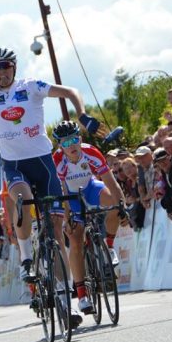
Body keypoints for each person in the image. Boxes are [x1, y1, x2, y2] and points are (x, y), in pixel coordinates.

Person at [0, 26, 105, 292]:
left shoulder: (31, 87)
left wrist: (82, 114)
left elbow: (71, 91)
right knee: (21, 197)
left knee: (56, 228)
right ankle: (27, 259)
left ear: (14, 67)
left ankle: (65, 297)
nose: (2, 72)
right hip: (15, 166)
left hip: (43, 163)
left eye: (6, 66)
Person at [51, 121, 125, 314]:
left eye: (74, 140)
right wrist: (68, 218)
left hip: (91, 186)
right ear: (60, 146)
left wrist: (122, 205)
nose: (72, 146)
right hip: (71, 196)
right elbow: (63, 192)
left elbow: (110, 181)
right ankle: (82, 296)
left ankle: (108, 246)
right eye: (66, 143)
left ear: (80, 139)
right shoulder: (57, 160)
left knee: (114, 204)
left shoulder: (91, 152)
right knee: (75, 239)